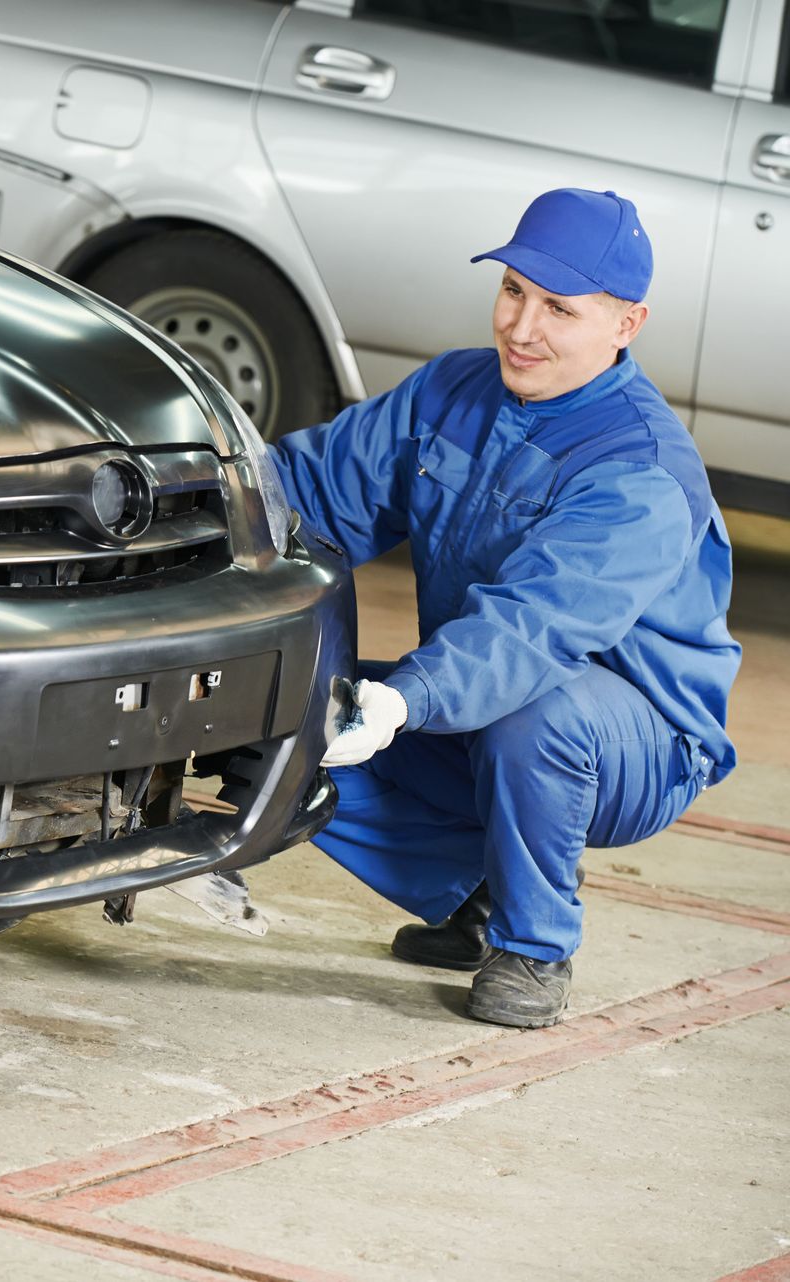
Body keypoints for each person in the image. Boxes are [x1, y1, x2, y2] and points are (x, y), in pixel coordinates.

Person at [274, 188, 740, 1029]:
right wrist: (191, 493)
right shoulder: (453, 389)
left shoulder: (639, 471)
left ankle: (536, 947)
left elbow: (534, 629)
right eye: (514, 290)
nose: (522, 329)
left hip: (635, 744)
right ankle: (475, 888)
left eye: (560, 308)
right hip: (479, 701)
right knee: (280, 729)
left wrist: (407, 698)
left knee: (541, 722)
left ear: (626, 325)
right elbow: (311, 491)